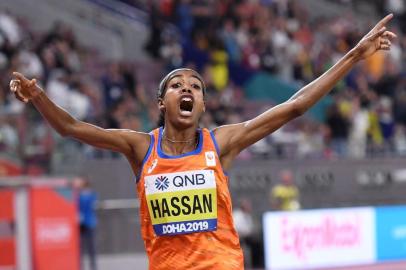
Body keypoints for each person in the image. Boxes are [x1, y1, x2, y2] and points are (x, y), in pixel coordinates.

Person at [9, 14, 396, 269]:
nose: (187, 88)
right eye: (177, 84)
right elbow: (73, 128)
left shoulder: (221, 143)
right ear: (162, 103)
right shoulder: (141, 147)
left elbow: (294, 106)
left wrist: (354, 55)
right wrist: (38, 97)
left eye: (195, 85)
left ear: (204, 104)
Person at [73, 178, 98, 270]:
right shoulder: (82, 195)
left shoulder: (85, 195)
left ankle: (91, 265)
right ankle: (88, 265)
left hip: (87, 222)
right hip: (84, 223)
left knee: (88, 246)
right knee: (85, 247)